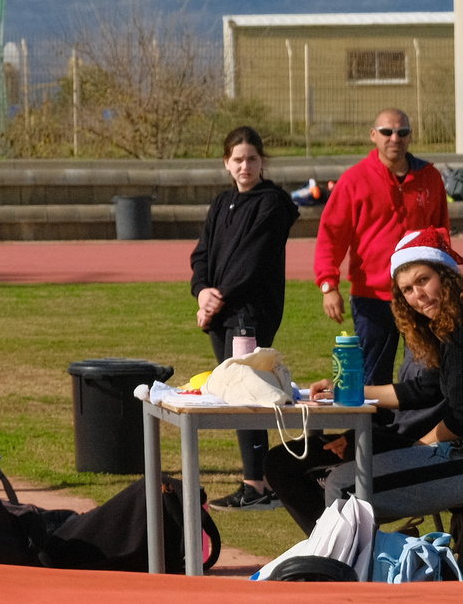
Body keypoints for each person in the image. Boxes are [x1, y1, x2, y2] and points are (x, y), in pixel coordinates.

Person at [266, 232, 463, 533]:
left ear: (446, 275)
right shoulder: (447, 329)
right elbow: (426, 389)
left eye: (423, 280)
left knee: (344, 487)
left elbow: (460, 420)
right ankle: (348, 562)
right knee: (284, 463)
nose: (418, 295)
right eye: (408, 289)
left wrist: (413, 448)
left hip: (455, 454)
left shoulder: (459, 328)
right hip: (446, 446)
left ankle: (349, 572)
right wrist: (344, 391)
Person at [192, 125, 298, 510]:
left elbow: (251, 262)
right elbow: (202, 253)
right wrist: (202, 290)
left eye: (252, 159)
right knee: (234, 392)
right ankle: (258, 479)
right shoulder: (222, 203)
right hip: (221, 312)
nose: (245, 166)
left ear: (262, 162)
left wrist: (217, 300)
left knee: (247, 392)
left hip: (250, 312)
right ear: (226, 163)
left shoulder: (271, 204)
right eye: (238, 159)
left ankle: (258, 483)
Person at [316, 108, 448, 384]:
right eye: (387, 132)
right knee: (371, 377)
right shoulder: (354, 180)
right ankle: (368, 429)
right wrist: (329, 285)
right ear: (373, 136)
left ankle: (415, 428)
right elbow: (332, 235)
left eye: (402, 132)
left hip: (420, 294)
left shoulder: (430, 177)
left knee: (426, 372)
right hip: (372, 297)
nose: (394, 138)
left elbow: (440, 236)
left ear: (410, 136)